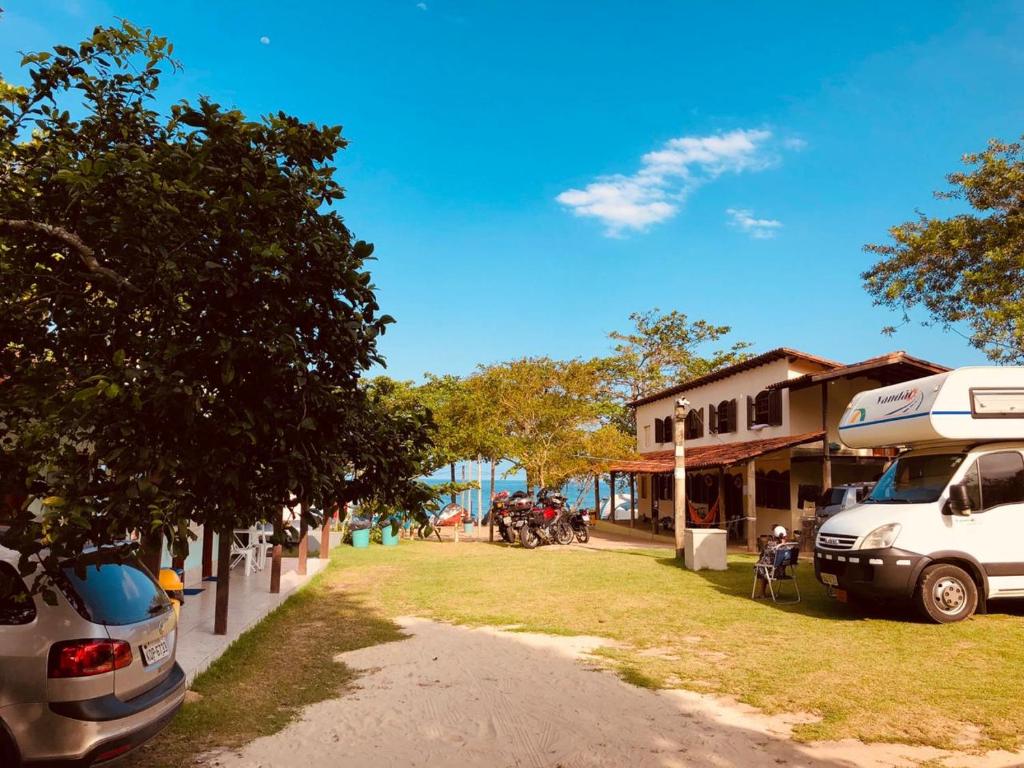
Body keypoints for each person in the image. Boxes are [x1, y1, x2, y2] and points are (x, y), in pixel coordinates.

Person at [754, 524, 789, 598]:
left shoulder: (771, 545)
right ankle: (762, 592)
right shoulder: (788, 546)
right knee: (766, 568)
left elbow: (763, 556)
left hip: (774, 573)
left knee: (761, 567)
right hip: (782, 572)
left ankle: (762, 592)